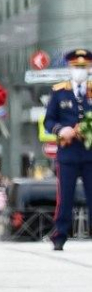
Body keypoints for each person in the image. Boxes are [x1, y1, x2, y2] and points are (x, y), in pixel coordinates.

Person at [43, 49, 92, 251]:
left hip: (90, 152)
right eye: (76, 67)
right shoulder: (59, 91)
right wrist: (61, 130)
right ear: (70, 68)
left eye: (83, 67)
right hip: (68, 152)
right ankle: (60, 235)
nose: (80, 71)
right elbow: (49, 121)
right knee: (65, 197)